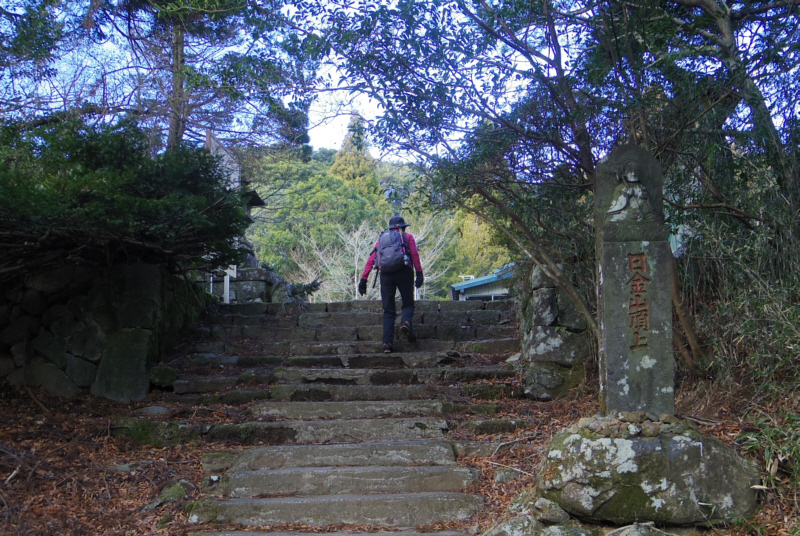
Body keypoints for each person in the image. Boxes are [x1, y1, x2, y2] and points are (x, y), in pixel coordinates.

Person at [358, 216, 424, 353]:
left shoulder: (382, 240)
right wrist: (419, 273)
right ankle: (406, 322)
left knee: (388, 310)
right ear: (402, 227)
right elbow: (414, 255)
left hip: (386, 275)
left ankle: (387, 343)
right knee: (407, 302)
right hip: (404, 271)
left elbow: (372, 258)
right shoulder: (407, 237)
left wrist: (364, 279)